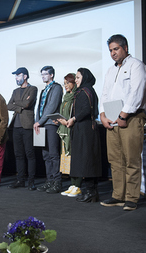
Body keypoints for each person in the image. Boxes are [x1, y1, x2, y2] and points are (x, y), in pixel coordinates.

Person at [99, 34, 146, 210]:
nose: (113, 53)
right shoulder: (110, 70)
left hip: (131, 118)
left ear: (125, 48)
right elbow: (105, 94)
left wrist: (123, 116)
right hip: (112, 120)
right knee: (115, 160)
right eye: (110, 50)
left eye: (116, 49)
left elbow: (136, 93)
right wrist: (102, 115)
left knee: (131, 159)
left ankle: (131, 198)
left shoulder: (137, 65)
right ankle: (118, 195)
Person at [63, 68, 102, 202]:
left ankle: (91, 192)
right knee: (86, 160)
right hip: (83, 129)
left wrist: (73, 119)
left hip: (85, 130)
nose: (76, 80)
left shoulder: (85, 91)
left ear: (85, 78)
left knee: (87, 160)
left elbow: (86, 110)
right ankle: (90, 192)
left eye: (78, 77)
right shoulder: (84, 91)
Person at [7, 67, 38, 191]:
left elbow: (28, 104)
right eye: (15, 76)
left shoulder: (33, 89)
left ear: (25, 76)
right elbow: (9, 105)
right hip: (16, 125)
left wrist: (18, 105)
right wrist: (20, 107)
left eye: (18, 75)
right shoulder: (15, 91)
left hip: (27, 125)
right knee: (18, 154)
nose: (16, 78)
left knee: (30, 154)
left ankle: (31, 181)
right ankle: (20, 179)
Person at [34, 65, 63, 194]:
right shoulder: (44, 89)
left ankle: (56, 182)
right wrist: (37, 122)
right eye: (42, 74)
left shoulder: (56, 87)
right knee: (45, 155)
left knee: (53, 154)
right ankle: (49, 180)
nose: (43, 76)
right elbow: (39, 107)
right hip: (41, 124)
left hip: (50, 124)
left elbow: (51, 107)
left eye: (45, 74)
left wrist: (40, 122)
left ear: (51, 75)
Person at [54, 73, 79, 197]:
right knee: (67, 159)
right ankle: (72, 184)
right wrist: (57, 119)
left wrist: (68, 121)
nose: (66, 86)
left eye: (68, 83)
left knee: (74, 157)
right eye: (64, 84)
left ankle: (77, 185)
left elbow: (76, 115)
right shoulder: (66, 97)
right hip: (63, 131)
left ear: (74, 83)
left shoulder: (76, 96)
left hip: (72, 131)